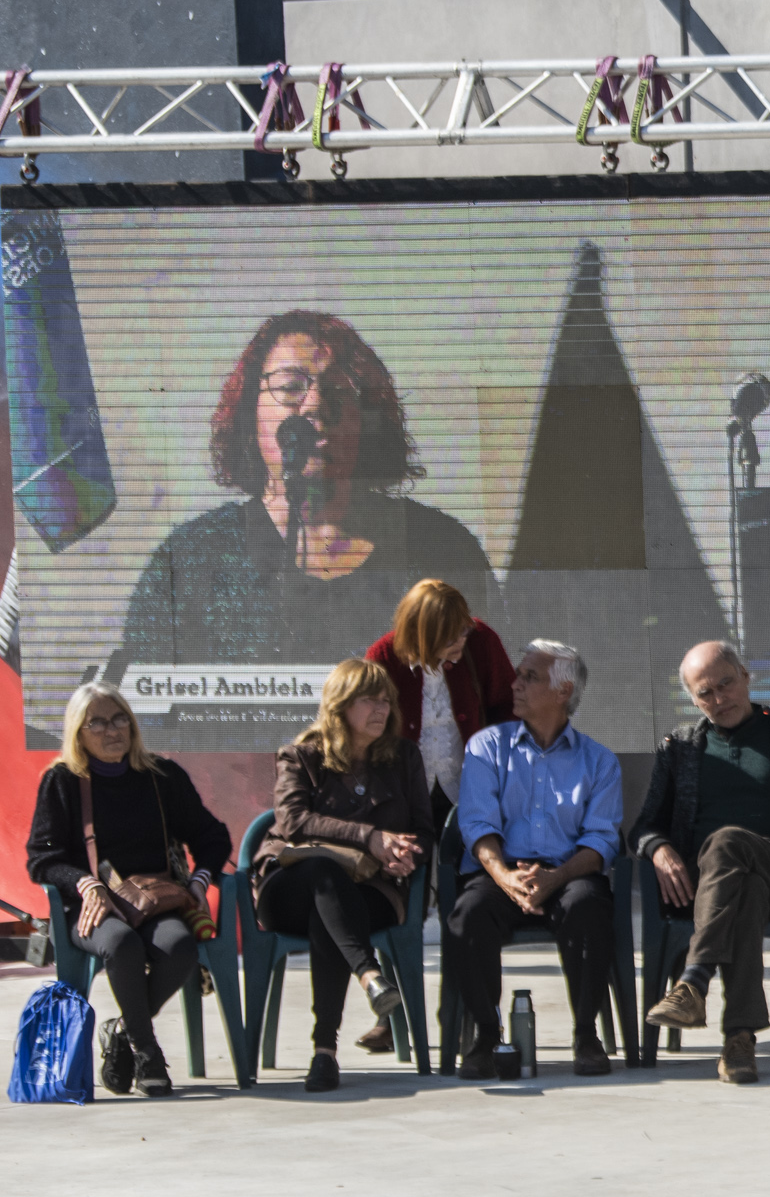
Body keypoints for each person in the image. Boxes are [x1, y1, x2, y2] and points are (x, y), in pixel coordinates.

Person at [117, 310, 498, 671]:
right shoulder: (190, 560)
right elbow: (148, 706)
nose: (315, 405)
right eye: (291, 387)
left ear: (365, 419)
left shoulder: (441, 547)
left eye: (338, 389)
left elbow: (488, 688)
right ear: (251, 413)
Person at [635, 641, 770, 1074]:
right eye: (704, 693)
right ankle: (739, 1039)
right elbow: (644, 825)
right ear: (693, 699)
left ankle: (694, 980)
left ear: (746, 676)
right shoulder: (680, 747)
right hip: (710, 883)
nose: (719, 699)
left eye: (725, 684)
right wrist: (659, 851)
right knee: (741, 888)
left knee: (728, 841)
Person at [25, 683, 233, 1099]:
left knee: (180, 948)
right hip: (91, 908)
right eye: (97, 722)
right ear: (78, 732)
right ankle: (147, 1052)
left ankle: (123, 1033)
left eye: (119, 719)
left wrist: (198, 881)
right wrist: (85, 883)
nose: (111, 730)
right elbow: (41, 858)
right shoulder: (62, 782)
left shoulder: (161, 776)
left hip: (152, 900)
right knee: (120, 945)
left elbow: (213, 837)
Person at [448, 642, 625, 1081]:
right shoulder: (487, 746)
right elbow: (475, 823)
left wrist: (555, 877)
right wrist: (507, 876)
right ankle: (488, 1036)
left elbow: (602, 839)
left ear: (562, 689)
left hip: (568, 873)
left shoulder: (599, 761)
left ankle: (586, 1034)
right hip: (501, 869)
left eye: (529, 676)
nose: (515, 684)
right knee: (468, 915)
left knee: (589, 907)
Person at [250, 659, 428, 1093]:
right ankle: (369, 974)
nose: (381, 709)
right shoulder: (301, 756)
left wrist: (406, 856)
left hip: (372, 891)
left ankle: (323, 1052)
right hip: (289, 888)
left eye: (386, 700)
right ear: (339, 706)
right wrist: (368, 837)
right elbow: (291, 820)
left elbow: (424, 829)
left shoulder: (403, 757)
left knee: (328, 916)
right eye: (369, 699)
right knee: (323, 873)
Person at [365, 577, 516, 824]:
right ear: (419, 634)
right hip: (404, 793)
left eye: (464, 630)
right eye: (448, 638)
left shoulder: (481, 641)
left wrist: (496, 766)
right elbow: (365, 728)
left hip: (468, 787)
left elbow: (508, 706)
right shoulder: (384, 657)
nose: (461, 641)